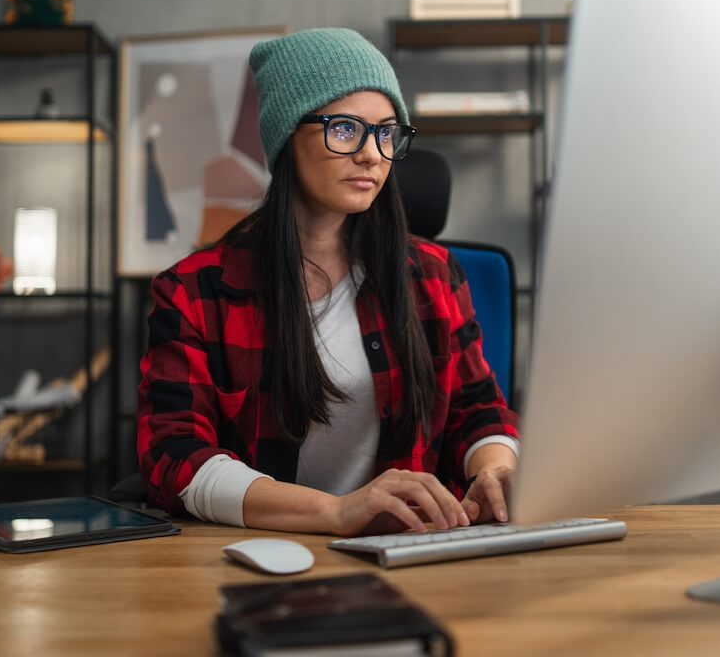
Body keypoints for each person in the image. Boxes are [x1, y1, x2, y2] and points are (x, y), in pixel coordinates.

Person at [136, 28, 519, 536]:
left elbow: (479, 411)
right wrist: (337, 513)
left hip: (414, 554)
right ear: (287, 138)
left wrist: (496, 470)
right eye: (345, 129)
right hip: (264, 556)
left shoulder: (432, 275)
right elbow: (175, 457)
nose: (371, 154)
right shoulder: (193, 292)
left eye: (386, 133)